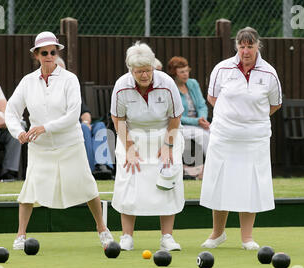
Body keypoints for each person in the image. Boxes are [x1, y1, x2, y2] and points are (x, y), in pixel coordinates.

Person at [5, 31, 114, 250]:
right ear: (36, 55)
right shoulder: (27, 82)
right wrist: (19, 132)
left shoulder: (69, 79)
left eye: (53, 52)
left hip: (70, 143)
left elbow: (73, 115)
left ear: (57, 53)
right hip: (40, 147)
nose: (49, 56)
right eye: (44, 52)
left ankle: (102, 229)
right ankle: (20, 235)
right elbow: (11, 111)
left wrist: (44, 128)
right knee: (29, 189)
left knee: (87, 186)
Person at [200, 27, 282, 250]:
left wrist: (251, 119)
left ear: (258, 46)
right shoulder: (222, 68)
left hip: (254, 138)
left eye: (250, 46)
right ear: (236, 46)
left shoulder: (269, 73)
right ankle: (217, 234)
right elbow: (212, 96)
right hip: (224, 135)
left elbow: (275, 104)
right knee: (220, 182)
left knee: (250, 185)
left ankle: (247, 237)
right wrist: (231, 117)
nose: (245, 50)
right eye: (241, 46)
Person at [110, 41, 185, 251]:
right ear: (131, 70)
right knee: (129, 183)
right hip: (131, 135)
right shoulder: (121, 86)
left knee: (167, 182)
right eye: (139, 71)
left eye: (148, 70)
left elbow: (175, 116)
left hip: (164, 134)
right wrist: (130, 147)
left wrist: (168, 145)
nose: (145, 75)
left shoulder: (167, 83)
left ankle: (167, 237)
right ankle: (126, 237)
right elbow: (118, 118)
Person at [55, 57, 113, 179]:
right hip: (65, 128)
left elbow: (85, 112)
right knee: (83, 129)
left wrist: (86, 121)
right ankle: (89, 169)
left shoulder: (71, 89)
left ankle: (103, 165)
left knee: (100, 126)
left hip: (79, 125)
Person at [167, 56, 210, 163]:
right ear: (174, 73)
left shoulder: (193, 83)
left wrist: (202, 119)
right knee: (203, 135)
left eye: (187, 71)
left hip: (199, 122)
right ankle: (212, 163)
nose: (186, 74)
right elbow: (175, 115)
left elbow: (202, 105)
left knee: (216, 131)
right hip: (181, 126)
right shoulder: (170, 88)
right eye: (182, 72)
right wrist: (197, 121)